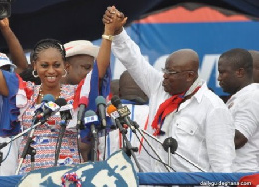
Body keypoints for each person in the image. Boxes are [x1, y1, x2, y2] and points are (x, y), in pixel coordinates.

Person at [0, 2, 112, 174]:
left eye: (56, 65)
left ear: (65, 67)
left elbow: (99, 70)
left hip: (68, 176)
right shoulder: (24, 92)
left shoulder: (76, 94)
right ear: (35, 67)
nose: (51, 71)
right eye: (44, 65)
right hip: (30, 176)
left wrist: (108, 34)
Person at [101, 6, 235, 172]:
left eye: (171, 72)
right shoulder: (160, 88)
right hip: (153, 182)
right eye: (165, 70)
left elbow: (222, 166)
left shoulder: (213, 108)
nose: (164, 76)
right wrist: (118, 30)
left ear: (189, 76)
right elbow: (133, 60)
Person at [98, 70, 150, 171]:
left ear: (119, 93)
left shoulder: (101, 113)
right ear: (146, 92)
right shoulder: (154, 115)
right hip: (144, 181)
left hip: (105, 180)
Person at [217, 48, 259, 172]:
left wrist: (203, 134)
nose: (219, 78)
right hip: (235, 175)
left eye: (222, 72)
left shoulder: (252, 97)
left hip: (244, 176)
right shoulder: (240, 97)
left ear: (240, 72)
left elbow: (238, 139)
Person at [61, 40, 99, 162]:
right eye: (86, 68)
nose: (90, 74)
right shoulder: (44, 97)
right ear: (67, 67)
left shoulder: (92, 97)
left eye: (93, 69)